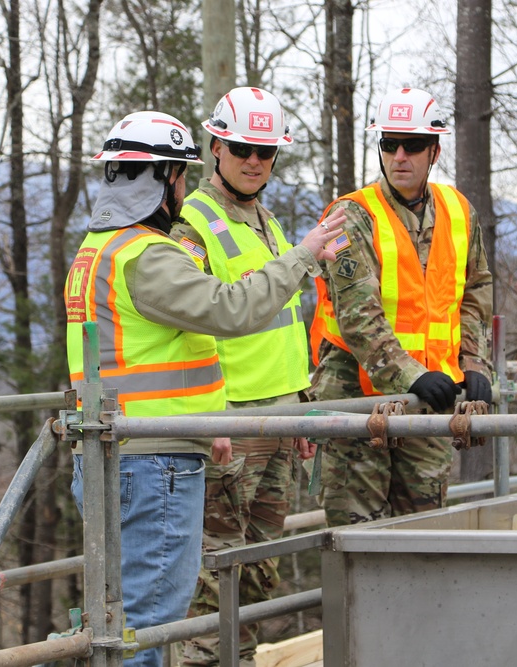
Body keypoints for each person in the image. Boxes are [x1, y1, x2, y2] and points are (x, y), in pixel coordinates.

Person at [64, 110, 343, 667]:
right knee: (148, 625)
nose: (185, 190)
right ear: (164, 178)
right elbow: (231, 310)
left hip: (125, 452)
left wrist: (210, 422)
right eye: (181, 177)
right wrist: (304, 257)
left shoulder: (97, 251)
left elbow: (163, 354)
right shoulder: (148, 256)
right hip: (153, 464)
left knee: (113, 620)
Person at [172, 87, 335, 667]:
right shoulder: (191, 225)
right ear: (215, 146)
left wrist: (300, 406)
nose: (253, 161)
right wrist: (210, 417)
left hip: (276, 418)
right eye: (241, 148)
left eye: (265, 152)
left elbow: (287, 323)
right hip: (229, 425)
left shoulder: (265, 219)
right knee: (216, 578)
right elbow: (194, 326)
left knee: (259, 574)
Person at [308, 87, 494, 527]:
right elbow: (358, 315)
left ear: (434, 150)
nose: (400, 156)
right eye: (389, 145)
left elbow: (475, 292)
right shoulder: (350, 216)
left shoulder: (458, 211)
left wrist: (476, 365)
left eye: (412, 146)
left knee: (424, 532)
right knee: (358, 539)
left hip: (430, 397)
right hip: (356, 401)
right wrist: (413, 375)